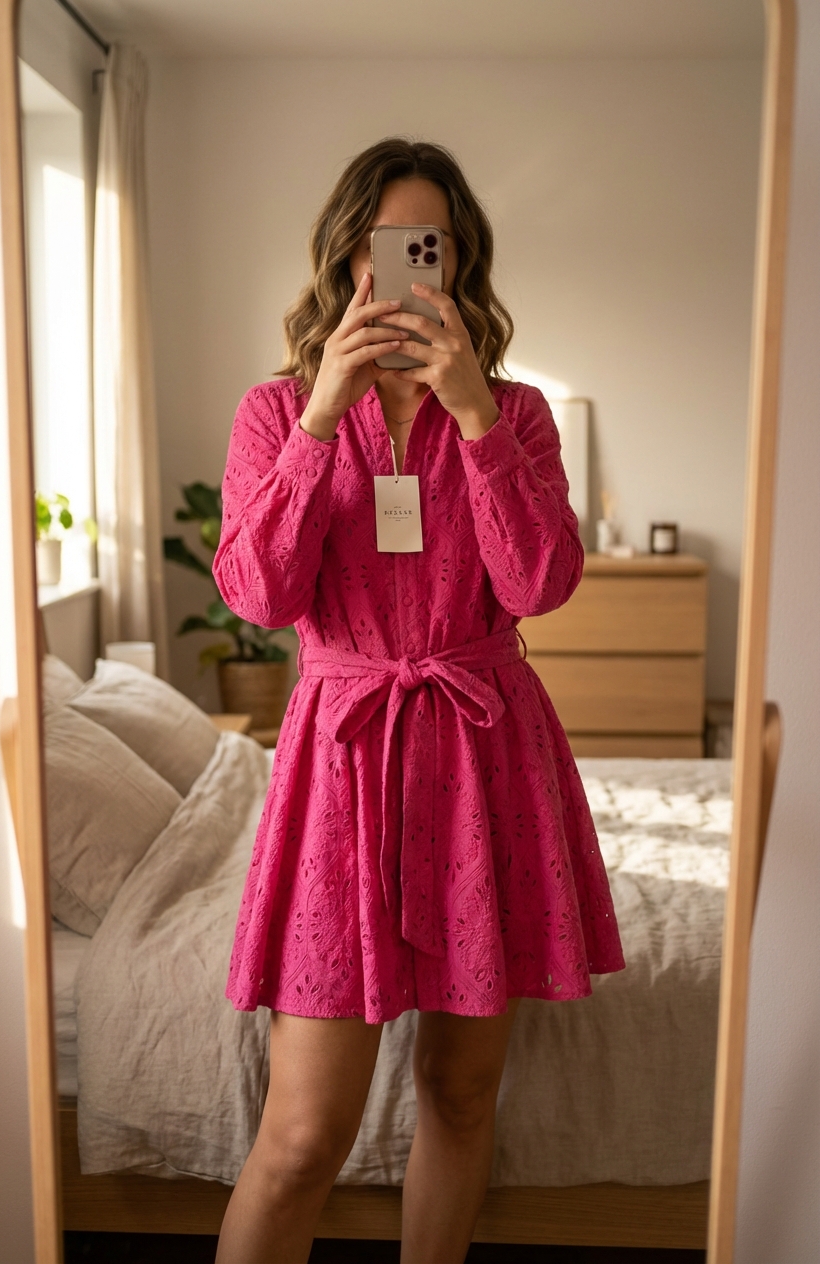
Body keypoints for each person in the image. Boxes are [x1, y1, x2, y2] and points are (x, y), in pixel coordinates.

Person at [211, 137, 624, 1264]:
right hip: (341, 761)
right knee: (303, 1134)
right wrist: (320, 417)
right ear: (346, 257)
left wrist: (475, 414)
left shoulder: (515, 413)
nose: (398, 269)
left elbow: (539, 585)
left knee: (458, 1092)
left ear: (456, 260)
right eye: (380, 245)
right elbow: (258, 593)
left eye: (423, 247)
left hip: (485, 757)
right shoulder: (274, 411)